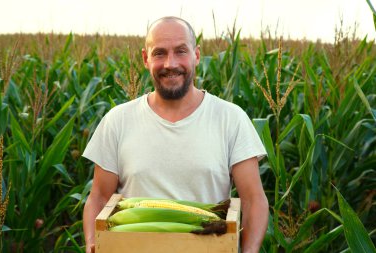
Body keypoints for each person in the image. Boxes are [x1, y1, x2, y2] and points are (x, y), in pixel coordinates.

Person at [82, 16, 269, 253]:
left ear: (196, 55)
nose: (170, 63)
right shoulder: (118, 121)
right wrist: (92, 243)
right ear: (145, 59)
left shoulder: (230, 118)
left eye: (181, 51)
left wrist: (249, 250)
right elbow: (98, 196)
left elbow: (254, 200)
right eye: (159, 53)